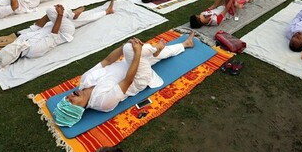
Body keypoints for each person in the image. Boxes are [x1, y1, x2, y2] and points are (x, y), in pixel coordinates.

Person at [52, 32, 196, 126]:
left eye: (67, 97)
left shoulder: (84, 81)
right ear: (78, 109)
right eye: (71, 101)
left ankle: (183, 44)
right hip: (138, 78)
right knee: (131, 50)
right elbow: (128, 80)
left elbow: (107, 61)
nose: (71, 95)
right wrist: (137, 54)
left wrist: (122, 46)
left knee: (135, 51)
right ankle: (154, 48)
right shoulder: (102, 103)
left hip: (127, 64)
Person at [0, 0, 115, 68]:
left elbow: (37, 26)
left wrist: (50, 17)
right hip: (63, 32)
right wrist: (59, 15)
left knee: (84, 20)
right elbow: (54, 35)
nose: (10, 46)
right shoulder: (33, 52)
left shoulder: (20, 40)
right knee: (51, 10)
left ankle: (106, 12)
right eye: (10, 50)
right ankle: (71, 14)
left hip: (53, 25)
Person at [189, 0, 256, 28]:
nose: (200, 14)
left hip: (224, 6)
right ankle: (245, 1)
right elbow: (226, 9)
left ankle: (237, 4)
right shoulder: (215, 21)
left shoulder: (203, 14)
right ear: (201, 21)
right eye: (199, 16)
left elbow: (214, 5)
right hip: (229, 12)